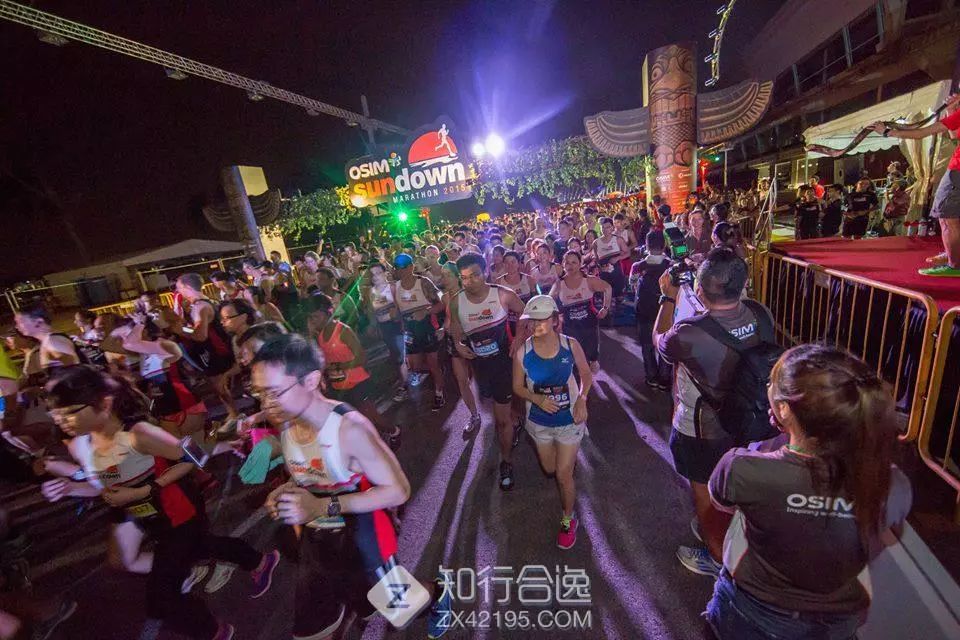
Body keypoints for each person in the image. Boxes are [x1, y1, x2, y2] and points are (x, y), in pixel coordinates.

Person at [42, 366, 279, 640]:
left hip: (180, 514)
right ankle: (259, 561)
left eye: (69, 412)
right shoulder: (85, 443)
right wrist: (71, 488)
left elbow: (190, 454)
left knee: (161, 600)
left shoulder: (138, 434)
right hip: (153, 520)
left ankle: (214, 632)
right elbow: (105, 487)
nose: (61, 421)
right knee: (201, 547)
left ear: (104, 404)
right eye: (55, 414)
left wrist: (231, 440)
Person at [705, 344, 912, 639]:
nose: (768, 387)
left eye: (772, 383)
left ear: (784, 409)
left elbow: (718, 513)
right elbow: (887, 537)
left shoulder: (743, 468)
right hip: (839, 621)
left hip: (753, 612)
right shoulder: (892, 482)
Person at [251, 334, 450, 639]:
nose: (266, 404)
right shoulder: (288, 419)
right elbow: (310, 472)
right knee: (310, 629)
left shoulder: (349, 430)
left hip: (364, 534)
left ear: (311, 381)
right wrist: (287, 490)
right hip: (319, 540)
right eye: (260, 393)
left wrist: (321, 505)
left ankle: (438, 594)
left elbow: (399, 490)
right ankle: (364, 600)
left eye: (275, 392)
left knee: (401, 608)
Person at [654, 247, 774, 577]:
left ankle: (717, 557)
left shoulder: (689, 332)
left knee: (705, 492)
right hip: (753, 420)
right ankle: (728, 534)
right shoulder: (760, 313)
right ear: (743, 284)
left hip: (703, 429)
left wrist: (668, 297)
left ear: (700, 289)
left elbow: (659, 342)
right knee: (737, 486)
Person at [511, 295, 592, 549]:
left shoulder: (570, 345)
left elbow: (586, 374)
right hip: (539, 422)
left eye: (542, 319)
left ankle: (568, 519)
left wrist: (582, 399)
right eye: (531, 320)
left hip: (569, 420)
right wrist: (537, 399)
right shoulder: (523, 352)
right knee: (549, 469)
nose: (535, 325)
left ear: (555, 320)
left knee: (562, 474)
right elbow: (517, 387)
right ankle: (566, 462)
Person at [449, 253, 529, 490]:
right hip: (480, 367)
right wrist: (459, 345)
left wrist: (519, 337)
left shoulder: (502, 294)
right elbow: (455, 328)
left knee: (500, 421)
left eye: (474, 275)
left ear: (485, 272)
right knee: (499, 408)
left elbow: (526, 313)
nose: (469, 281)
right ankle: (516, 418)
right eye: (464, 277)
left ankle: (506, 462)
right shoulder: (456, 301)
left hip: (504, 365)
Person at [305, 294, 401, 450]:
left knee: (372, 418)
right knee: (356, 422)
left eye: (316, 316)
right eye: (311, 317)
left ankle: (394, 431)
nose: (314, 320)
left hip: (358, 383)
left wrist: (337, 366)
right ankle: (375, 445)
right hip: (339, 387)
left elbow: (361, 358)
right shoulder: (320, 335)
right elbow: (321, 360)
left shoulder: (343, 330)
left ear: (327, 312)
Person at [169, 274, 238, 420]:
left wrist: (181, 331)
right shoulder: (202, 303)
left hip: (215, 351)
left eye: (179, 287)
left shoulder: (200, 307)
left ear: (187, 287)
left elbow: (200, 335)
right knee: (219, 386)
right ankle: (233, 414)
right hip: (214, 349)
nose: (178, 291)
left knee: (219, 386)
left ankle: (234, 415)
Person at [392, 253, 446, 410]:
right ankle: (412, 387)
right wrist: (394, 315)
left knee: (433, 364)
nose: (400, 271)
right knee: (414, 366)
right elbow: (396, 312)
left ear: (411, 267)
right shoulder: (395, 287)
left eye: (403, 267)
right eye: (397, 267)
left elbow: (442, 303)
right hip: (410, 332)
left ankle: (439, 393)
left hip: (427, 328)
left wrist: (426, 311)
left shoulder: (423, 282)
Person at [549, 251, 611, 373]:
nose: (570, 266)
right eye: (567, 262)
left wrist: (605, 308)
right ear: (563, 264)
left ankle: (592, 364)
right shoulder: (559, 284)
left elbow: (608, 288)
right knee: (575, 361)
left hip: (589, 327)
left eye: (574, 262)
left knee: (592, 357)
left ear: (580, 264)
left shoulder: (589, 280)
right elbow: (548, 301)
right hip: (570, 328)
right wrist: (555, 319)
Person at [438, 261, 481, 435]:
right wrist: (443, 328)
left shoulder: (468, 294)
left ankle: (502, 413)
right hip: (454, 342)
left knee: (484, 379)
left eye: (448, 275)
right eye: (442, 275)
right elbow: (448, 319)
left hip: (473, 340)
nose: (445, 279)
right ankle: (474, 415)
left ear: (458, 277)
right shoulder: (444, 297)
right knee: (461, 380)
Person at [630, 231, 672, 391]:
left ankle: (651, 377)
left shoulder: (637, 266)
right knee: (665, 344)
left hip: (644, 311)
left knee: (647, 345)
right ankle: (664, 378)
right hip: (665, 310)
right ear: (664, 245)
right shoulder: (671, 265)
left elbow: (632, 284)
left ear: (646, 246)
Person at [14, 304, 80, 371]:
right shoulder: (49, 341)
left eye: (20, 322)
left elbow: (76, 371)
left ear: (38, 321)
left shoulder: (53, 342)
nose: (16, 326)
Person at [594, 217, 630, 302]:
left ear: (612, 228)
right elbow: (596, 259)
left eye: (608, 227)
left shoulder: (618, 239)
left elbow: (628, 253)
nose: (605, 229)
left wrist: (617, 258)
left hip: (617, 273)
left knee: (619, 299)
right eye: (603, 227)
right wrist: (600, 268)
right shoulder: (596, 242)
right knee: (608, 299)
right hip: (604, 274)